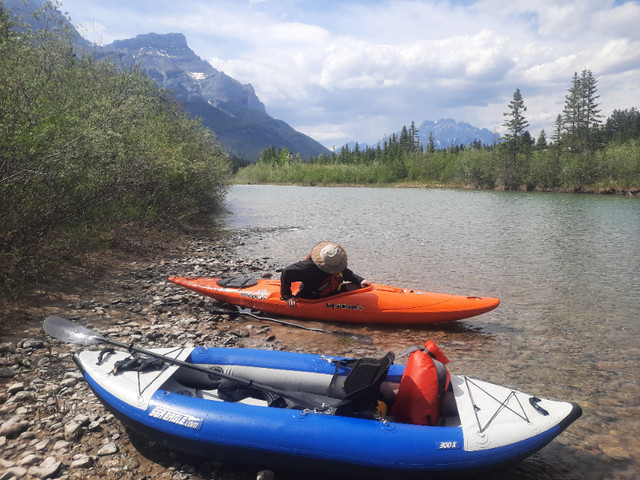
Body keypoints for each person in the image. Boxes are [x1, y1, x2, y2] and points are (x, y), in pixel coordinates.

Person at [280, 241, 371, 308]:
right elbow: (286, 272)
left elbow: (345, 272)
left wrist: (360, 280)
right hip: (314, 296)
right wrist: (287, 296)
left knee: (359, 286)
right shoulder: (307, 267)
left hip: (333, 290)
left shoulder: (336, 261)